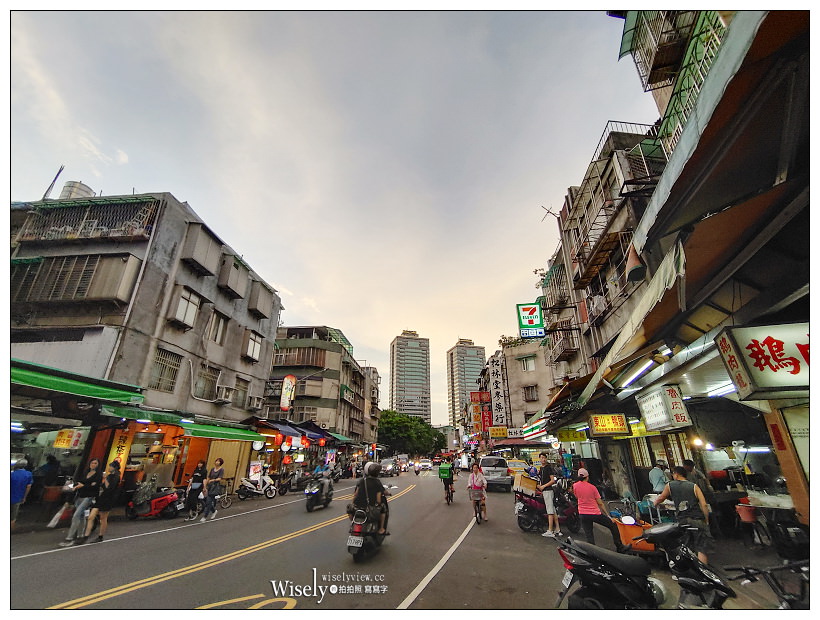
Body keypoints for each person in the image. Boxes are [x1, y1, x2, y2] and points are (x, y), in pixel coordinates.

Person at [653, 466, 714, 564]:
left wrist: (655, 503)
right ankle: (704, 572)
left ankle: (688, 571)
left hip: (683, 520)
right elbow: (704, 505)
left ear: (676, 474)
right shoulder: (694, 486)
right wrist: (706, 519)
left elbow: (661, 498)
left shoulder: (670, 485)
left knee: (685, 546)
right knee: (701, 548)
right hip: (697, 519)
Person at [572, 468, 626, 552]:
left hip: (583, 513)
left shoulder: (575, 486)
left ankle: (592, 553)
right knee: (612, 525)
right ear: (587, 477)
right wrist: (608, 516)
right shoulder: (592, 487)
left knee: (589, 535)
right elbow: (600, 503)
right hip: (594, 513)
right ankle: (620, 547)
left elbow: (576, 496)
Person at [59, 458, 102, 547]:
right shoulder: (85, 472)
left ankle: (69, 538)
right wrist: (78, 486)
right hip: (80, 496)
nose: (93, 465)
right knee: (81, 516)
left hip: (89, 497)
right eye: (92, 463)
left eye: (95, 463)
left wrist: (83, 485)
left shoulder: (98, 474)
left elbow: (95, 486)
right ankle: (80, 535)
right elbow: (80, 483)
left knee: (76, 515)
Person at [76, 461, 121, 544]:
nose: (109, 468)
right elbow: (103, 486)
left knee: (103, 518)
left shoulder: (116, 476)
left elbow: (109, 487)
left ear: (114, 467)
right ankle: (85, 536)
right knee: (91, 517)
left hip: (108, 499)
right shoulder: (110, 476)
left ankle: (100, 536)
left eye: (110, 466)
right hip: (101, 498)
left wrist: (105, 478)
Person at [350, 462, 388, 534]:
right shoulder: (377, 482)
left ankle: (353, 523)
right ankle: (381, 528)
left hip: (357, 507)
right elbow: (379, 500)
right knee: (383, 509)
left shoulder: (361, 481)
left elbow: (355, 494)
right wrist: (378, 504)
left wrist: (353, 504)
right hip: (370, 508)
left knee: (350, 509)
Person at [536, 452, 559, 538]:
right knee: (553, 510)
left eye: (544, 458)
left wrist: (543, 486)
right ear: (539, 459)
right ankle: (557, 529)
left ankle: (550, 530)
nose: (543, 459)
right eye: (541, 458)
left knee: (549, 511)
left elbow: (552, 480)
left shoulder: (548, 468)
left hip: (548, 491)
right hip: (545, 490)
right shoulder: (541, 468)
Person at [200, 458, 225, 522]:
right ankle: (214, 511)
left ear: (220, 463)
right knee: (208, 501)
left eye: (218, 461)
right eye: (216, 461)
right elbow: (208, 477)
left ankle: (205, 516)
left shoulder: (221, 469)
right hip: (210, 486)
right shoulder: (212, 469)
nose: (217, 462)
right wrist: (205, 486)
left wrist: (213, 480)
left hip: (215, 487)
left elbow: (220, 478)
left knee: (208, 501)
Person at [11, 459, 33, 531]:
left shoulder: (11, 474)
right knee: (13, 516)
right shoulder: (28, 474)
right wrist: (24, 497)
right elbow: (28, 487)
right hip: (18, 498)